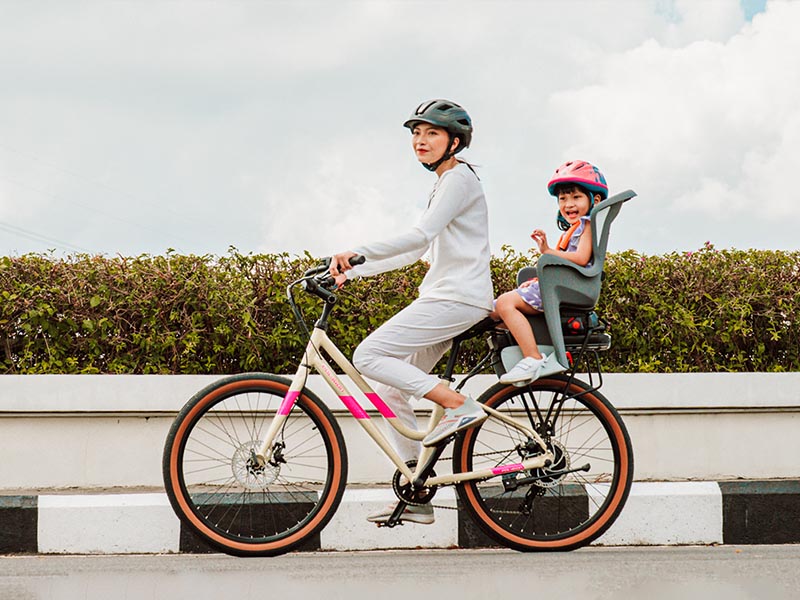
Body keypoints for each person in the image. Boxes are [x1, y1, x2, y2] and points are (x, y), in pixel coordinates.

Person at [329, 99, 494, 524]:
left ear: (454, 141)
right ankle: (418, 491)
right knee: (388, 390)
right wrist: (355, 269)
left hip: (457, 297)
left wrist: (358, 250)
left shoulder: (458, 179)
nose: (420, 140)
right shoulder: (444, 182)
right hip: (446, 296)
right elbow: (420, 249)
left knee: (367, 356)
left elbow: (419, 233)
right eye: (416, 133)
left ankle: (459, 406)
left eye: (432, 133)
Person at [492, 160, 608, 384]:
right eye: (563, 198)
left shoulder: (587, 226)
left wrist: (547, 251)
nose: (568, 203)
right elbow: (561, 266)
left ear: (594, 200)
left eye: (576, 197)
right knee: (495, 312)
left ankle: (533, 357)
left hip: (568, 288)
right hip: (562, 284)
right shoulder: (576, 228)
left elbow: (582, 259)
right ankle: (524, 354)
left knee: (506, 303)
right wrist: (538, 277)